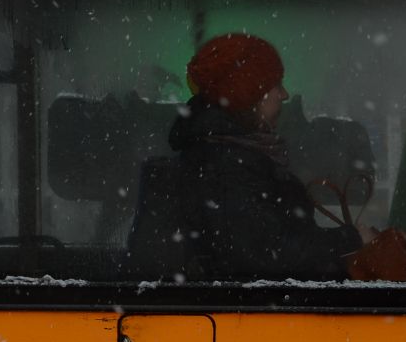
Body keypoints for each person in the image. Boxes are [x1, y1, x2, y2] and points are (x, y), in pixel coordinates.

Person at [129, 32, 369, 281]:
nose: (284, 94)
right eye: (276, 84)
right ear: (251, 95)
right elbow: (268, 255)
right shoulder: (225, 164)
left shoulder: (226, 153)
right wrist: (352, 239)